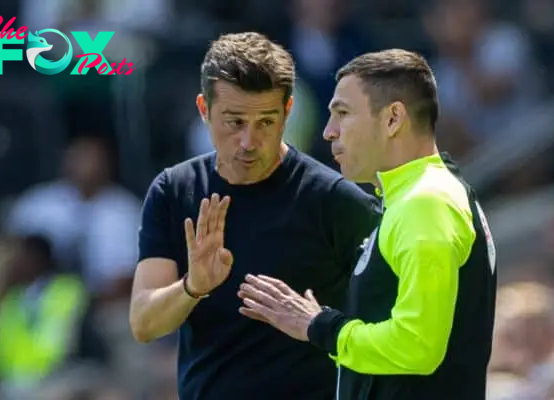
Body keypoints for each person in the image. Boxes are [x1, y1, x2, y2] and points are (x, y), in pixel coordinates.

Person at [129, 32, 380, 400]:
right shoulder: (173, 191)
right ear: (204, 110)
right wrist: (193, 287)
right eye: (234, 122)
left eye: (265, 122)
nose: (249, 141)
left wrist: (317, 324)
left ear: (287, 112)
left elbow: (392, 326)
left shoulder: (335, 200)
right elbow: (144, 323)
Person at [238, 49, 498, 399]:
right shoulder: (419, 195)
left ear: (393, 119)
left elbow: (417, 345)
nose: (329, 132)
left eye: (342, 113)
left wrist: (320, 327)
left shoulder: (426, 202)